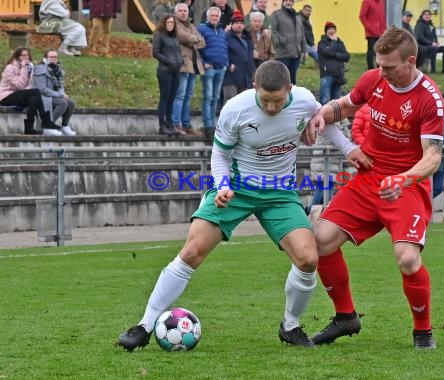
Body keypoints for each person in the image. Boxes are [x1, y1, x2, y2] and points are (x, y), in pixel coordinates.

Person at [117, 60, 370, 351]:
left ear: (289, 89)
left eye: (277, 101)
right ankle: (145, 325)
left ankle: (290, 326)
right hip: (236, 186)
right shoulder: (236, 109)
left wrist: (349, 149)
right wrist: (223, 186)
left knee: (308, 258)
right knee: (192, 251)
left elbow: (323, 125)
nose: (272, 108)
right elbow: (219, 155)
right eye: (265, 100)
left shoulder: (304, 100)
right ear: (254, 88)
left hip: (279, 191)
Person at [305, 26, 443, 349]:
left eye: (389, 67)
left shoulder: (429, 99)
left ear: (410, 61)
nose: (381, 72)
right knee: (319, 240)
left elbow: (433, 157)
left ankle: (423, 331)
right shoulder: (374, 80)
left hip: (406, 186)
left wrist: (403, 179)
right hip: (369, 179)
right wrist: (319, 116)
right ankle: (346, 317)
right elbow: (344, 106)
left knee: (407, 259)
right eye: (379, 65)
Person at [0, 47, 62, 136]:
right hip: (6, 97)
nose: (26, 57)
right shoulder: (10, 68)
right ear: (17, 57)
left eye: (27, 55)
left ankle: (28, 128)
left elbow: (29, 85)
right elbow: (20, 85)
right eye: (23, 55)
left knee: (34, 99)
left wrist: (25, 68)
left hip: (19, 95)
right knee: (35, 92)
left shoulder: (30, 67)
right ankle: (46, 121)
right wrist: (24, 68)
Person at [172, 2, 205, 136]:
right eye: (180, 11)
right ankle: (176, 123)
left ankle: (186, 124)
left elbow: (203, 42)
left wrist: (193, 39)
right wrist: (194, 39)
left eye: (185, 11)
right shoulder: (174, 25)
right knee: (179, 96)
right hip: (182, 65)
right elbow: (183, 37)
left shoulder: (191, 25)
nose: (183, 13)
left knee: (188, 97)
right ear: (176, 13)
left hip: (193, 65)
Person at [198, 6, 228, 140]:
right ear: (207, 16)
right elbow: (197, 49)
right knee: (208, 96)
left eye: (217, 16)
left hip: (221, 68)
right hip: (209, 68)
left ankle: (213, 123)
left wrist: (226, 63)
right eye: (212, 16)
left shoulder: (221, 31)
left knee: (215, 97)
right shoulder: (202, 29)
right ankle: (208, 124)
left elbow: (225, 48)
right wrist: (203, 63)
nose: (215, 18)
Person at [32, 50, 77, 136]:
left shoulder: (57, 70)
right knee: (63, 103)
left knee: (71, 103)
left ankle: (65, 126)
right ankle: (47, 126)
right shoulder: (40, 69)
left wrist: (61, 94)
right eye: (51, 57)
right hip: (41, 96)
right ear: (45, 58)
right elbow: (42, 89)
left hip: (52, 96)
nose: (54, 59)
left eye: (55, 57)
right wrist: (59, 95)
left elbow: (61, 86)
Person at [153, 15, 183, 136]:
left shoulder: (175, 37)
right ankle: (162, 125)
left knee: (172, 98)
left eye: (172, 22)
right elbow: (156, 52)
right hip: (165, 70)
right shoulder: (159, 35)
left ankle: (170, 124)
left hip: (176, 70)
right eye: (168, 22)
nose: (170, 24)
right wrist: (168, 61)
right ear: (164, 23)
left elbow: (178, 51)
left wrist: (180, 61)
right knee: (164, 97)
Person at [222, 10, 255, 105]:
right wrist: (228, 65)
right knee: (230, 103)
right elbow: (222, 52)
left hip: (245, 76)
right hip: (231, 76)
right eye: (236, 23)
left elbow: (249, 56)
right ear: (231, 25)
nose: (239, 25)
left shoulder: (247, 38)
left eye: (241, 23)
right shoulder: (226, 36)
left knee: (244, 104)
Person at [270, 0, 306, 85]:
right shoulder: (276, 14)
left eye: (290, 1)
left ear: (293, 3)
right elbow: (272, 30)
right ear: (282, 2)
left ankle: (291, 97)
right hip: (282, 54)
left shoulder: (297, 15)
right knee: (282, 79)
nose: (288, 2)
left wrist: (304, 49)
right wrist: (281, 40)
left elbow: (302, 32)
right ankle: (280, 97)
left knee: (292, 79)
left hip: (296, 54)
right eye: (286, 0)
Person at [318, 21, 350, 105]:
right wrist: (334, 42)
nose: (331, 31)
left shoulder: (340, 43)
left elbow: (347, 56)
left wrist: (335, 54)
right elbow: (329, 53)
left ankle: (334, 117)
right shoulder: (322, 43)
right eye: (329, 29)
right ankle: (323, 117)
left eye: (333, 29)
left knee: (336, 101)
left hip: (338, 74)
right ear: (326, 31)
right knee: (325, 99)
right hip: (327, 74)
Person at [414, 9, 444, 74]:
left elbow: (434, 36)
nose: (427, 16)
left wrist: (436, 42)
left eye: (429, 15)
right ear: (422, 16)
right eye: (425, 14)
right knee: (434, 48)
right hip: (423, 46)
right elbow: (420, 37)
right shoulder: (420, 24)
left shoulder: (431, 25)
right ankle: (433, 69)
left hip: (431, 45)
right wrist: (431, 43)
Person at [359, 0, 386, 70]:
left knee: (380, 51)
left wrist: (384, 30)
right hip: (371, 33)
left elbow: (382, 18)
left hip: (381, 32)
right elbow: (362, 16)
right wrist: (370, 28)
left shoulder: (381, 2)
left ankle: (379, 68)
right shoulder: (367, 1)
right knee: (371, 51)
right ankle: (370, 68)